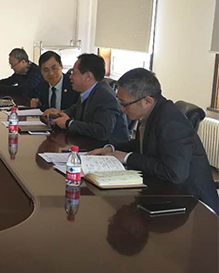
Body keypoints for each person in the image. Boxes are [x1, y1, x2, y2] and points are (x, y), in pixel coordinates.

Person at [89, 68, 218, 212]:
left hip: (193, 206)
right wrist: (111, 149)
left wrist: (127, 157)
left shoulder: (171, 122)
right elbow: (143, 145)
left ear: (147, 101)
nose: (120, 108)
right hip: (165, 192)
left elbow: (174, 173)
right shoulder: (152, 112)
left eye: (124, 104)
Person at [43, 53, 129, 143]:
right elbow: (75, 110)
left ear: (88, 76)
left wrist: (68, 123)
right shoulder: (89, 91)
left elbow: (102, 131)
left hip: (109, 148)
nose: (70, 77)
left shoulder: (105, 96)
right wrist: (58, 113)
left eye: (74, 73)